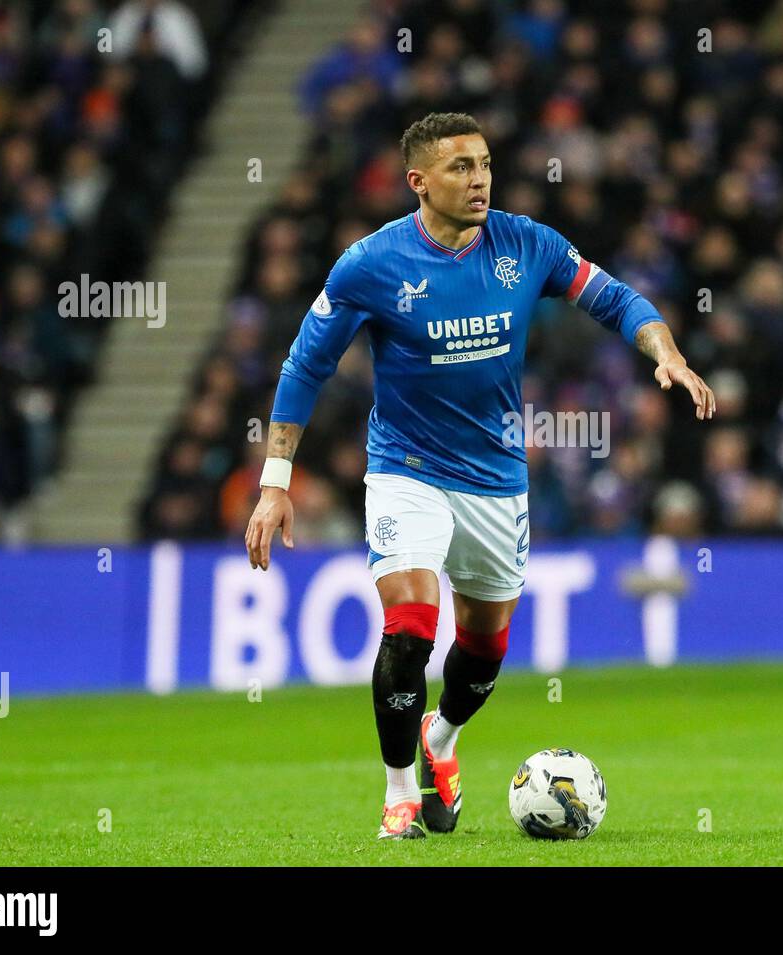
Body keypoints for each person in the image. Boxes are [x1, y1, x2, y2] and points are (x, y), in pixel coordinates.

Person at [244, 112, 715, 839]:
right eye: (461, 167)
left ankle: (441, 741)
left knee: (486, 647)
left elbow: (618, 298)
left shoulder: (526, 245)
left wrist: (665, 352)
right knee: (408, 628)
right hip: (406, 467)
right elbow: (305, 364)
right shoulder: (370, 265)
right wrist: (276, 482)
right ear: (419, 182)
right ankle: (399, 792)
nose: (480, 179)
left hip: (496, 477)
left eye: (486, 163)